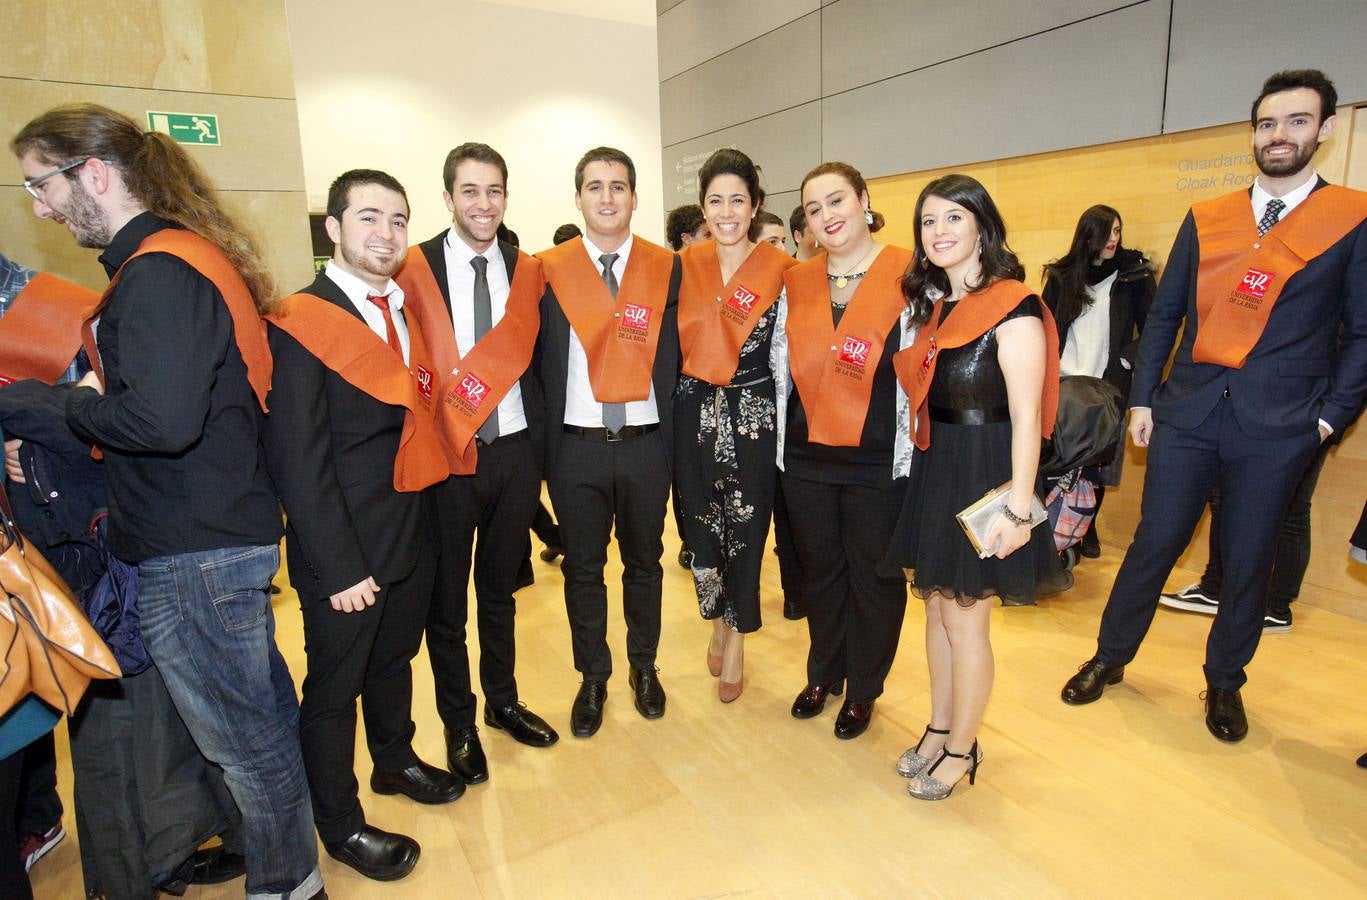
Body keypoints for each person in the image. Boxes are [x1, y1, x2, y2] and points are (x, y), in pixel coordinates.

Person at [11, 103, 324, 899]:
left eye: (41, 185)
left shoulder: (157, 273)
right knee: (253, 729)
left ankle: (289, 885)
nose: (38, 207)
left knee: (247, 744)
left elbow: (160, 419)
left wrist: (63, 408)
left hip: (196, 551)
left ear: (96, 174)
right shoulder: (178, 261)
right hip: (211, 539)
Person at [1060, 69, 1367, 743]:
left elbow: (1362, 331)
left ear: (1324, 129)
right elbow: (1165, 314)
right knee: (1153, 543)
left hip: (1281, 424)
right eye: (1266, 123)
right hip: (1189, 413)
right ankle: (1109, 657)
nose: (1278, 135)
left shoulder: (1350, 219)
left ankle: (1224, 682)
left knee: (1248, 555)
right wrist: (1143, 398)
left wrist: (1327, 417)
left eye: (1294, 122)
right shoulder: (1212, 217)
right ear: (1252, 132)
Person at [0, 258, 249, 897]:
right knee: (128, 726)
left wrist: (37, 436)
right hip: (74, 565)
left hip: (111, 554)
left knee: (160, 716)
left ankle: (160, 855)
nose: (39, 204)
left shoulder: (51, 306)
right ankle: (142, 864)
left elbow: (129, 413)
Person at [263, 169, 464, 882]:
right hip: (344, 549)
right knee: (333, 688)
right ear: (334, 229)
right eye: (369, 218)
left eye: (398, 220)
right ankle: (340, 825)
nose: (386, 234)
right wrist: (340, 566)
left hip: (410, 528)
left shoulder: (404, 309)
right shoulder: (300, 319)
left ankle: (395, 760)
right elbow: (297, 458)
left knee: (393, 661)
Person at [884, 174, 1069, 800]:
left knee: (967, 623)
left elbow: (1028, 417)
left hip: (986, 474)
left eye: (953, 219)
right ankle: (939, 728)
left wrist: (1020, 508)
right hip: (939, 470)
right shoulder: (937, 308)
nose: (938, 232)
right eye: (928, 222)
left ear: (982, 226)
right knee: (936, 613)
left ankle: (963, 749)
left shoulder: (1015, 305)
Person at [396, 144, 558, 787]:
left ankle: (503, 700)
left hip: (514, 453)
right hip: (448, 456)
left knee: (500, 589)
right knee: (446, 602)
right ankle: (458, 724)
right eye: (470, 191)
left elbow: (542, 362)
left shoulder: (529, 271)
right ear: (447, 198)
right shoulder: (414, 269)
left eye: (494, 192)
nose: (483, 204)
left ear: (506, 198)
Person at [536, 147, 681, 737]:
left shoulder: (664, 267)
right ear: (578, 197)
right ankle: (592, 676)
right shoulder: (547, 271)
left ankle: (644, 668)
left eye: (618, 187)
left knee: (646, 565)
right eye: (594, 187)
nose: (606, 198)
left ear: (635, 197)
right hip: (576, 447)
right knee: (583, 570)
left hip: (648, 444)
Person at [776, 161, 914, 740]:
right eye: (814, 209)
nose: (828, 217)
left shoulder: (908, 273)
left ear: (863, 200)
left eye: (837, 201)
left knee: (874, 577)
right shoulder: (798, 281)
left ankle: (863, 688)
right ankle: (823, 673)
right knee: (821, 572)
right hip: (808, 457)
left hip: (877, 459)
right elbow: (778, 366)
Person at [674, 149, 796, 702]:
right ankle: (717, 619)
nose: (727, 212)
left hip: (752, 413)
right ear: (703, 207)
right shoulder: (683, 268)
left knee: (747, 530)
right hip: (693, 412)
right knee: (701, 527)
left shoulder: (781, 272)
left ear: (756, 207)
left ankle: (738, 635)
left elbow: (791, 355)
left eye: (738, 201)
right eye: (715, 201)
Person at [1042, 205, 1155, 559]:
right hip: (1063, 380)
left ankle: (1085, 528)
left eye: (1117, 231)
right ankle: (1056, 528)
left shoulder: (1134, 274)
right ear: (1086, 235)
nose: (1112, 240)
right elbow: (1043, 326)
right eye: (1105, 232)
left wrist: (1127, 358)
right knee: (1058, 456)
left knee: (1097, 459)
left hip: (1108, 384)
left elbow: (1156, 328)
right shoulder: (1062, 276)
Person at [1157, 435, 1332, 633]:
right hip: (1260, 421)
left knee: (1292, 507)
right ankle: (1215, 588)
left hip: (1310, 421)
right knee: (1224, 494)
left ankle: (1277, 607)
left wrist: (1327, 422)